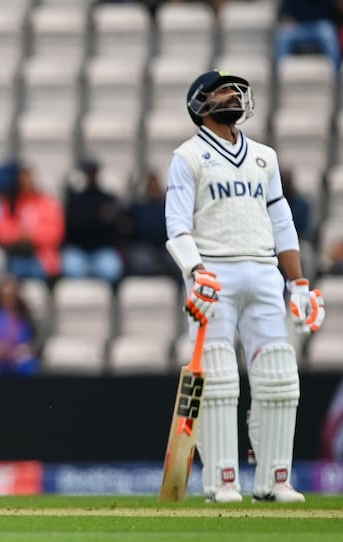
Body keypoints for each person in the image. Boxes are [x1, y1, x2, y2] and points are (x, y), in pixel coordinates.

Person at [165, 69, 326, 503]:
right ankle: (222, 482)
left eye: (236, 89)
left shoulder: (264, 157)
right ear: (200, 103)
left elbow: (282, 221)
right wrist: (194, 271)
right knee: (217, 379)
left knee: (279, 375)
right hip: (214, 272)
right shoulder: (188, 157)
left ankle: (275, 481)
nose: (234, 95)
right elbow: (177, 226)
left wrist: (299, 282)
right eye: (222, 90)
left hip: (263, 271)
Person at [0, 164, 65, 284]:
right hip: (14, 255)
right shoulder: (9, 203)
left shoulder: (47, 202)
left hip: (42, 256)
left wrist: (32, 237)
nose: (26, 183)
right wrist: (18, 236)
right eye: (22, 179)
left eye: (29, 178)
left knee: (37, 274)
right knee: (12, 273)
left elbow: (55, 233)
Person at [60, 158, 126, 287]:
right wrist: (97, 218)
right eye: (88, 172)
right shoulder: (74, 199)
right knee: (70, 269)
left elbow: (113, 227)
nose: (90, 176)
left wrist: (91, 219)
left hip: (102, 250)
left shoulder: (108, 198)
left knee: (112, 270)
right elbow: (72, 227)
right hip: (78, 250)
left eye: (93, 172)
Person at [0, 274, 40, 377]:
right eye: (4, 296)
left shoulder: (25, 314)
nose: (8, 299)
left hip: (21, 364)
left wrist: (23, 351)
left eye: (11, 295)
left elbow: (35, 343)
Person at [124, 170, 180, 280]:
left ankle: (178, 292)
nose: (153, 189)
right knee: (140, 261)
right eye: (150, 186)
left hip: (166, 246)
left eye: (155, 185)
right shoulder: (138, 207)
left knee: (178, 260)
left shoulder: (168, 206)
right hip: (144, 246)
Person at [274, 0, 341, 71]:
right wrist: (287, 20)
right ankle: (279, 74)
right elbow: (284, 13)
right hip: (298, 27)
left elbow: (335, 11)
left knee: (327, 32)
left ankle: (336, 73)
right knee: (283, 35)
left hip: (320, 27)